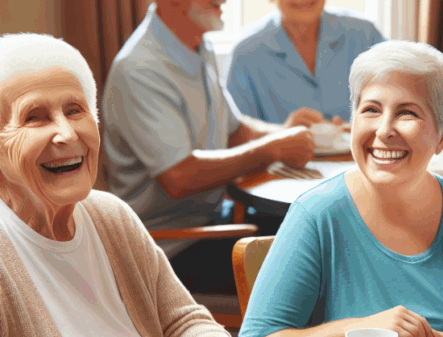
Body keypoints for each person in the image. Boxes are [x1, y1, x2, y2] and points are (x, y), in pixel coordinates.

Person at [0, 33, 255, 337]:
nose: (67, 133)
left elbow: (180, 320)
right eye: (35, 118)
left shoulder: (110, 215)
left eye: (75, 110)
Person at [239, 41, 443, 337]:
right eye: (371, 110)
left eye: (407, 113)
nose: (384, 130)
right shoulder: (316, 215)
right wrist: (360, 328)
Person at [103, 0, 318, 295]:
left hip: (214, 221)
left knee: (315, 229)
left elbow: (235, 131)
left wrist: (287, 132)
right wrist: (272, 148)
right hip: (170, 250)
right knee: (314, 263)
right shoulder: (139, 69)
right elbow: (180, 176)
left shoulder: (197, 47)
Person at [226, 0, 384, 124]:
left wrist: (362, 125)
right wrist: (283, 134)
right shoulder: (246, 52)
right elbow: (237, 134)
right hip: (280, 164)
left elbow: (401, 95)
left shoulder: (364, 34)